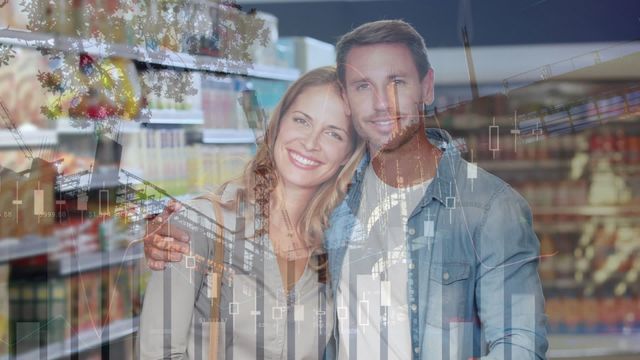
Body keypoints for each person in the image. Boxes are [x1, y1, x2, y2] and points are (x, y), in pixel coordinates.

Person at [145, 20, 548, 359]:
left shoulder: (491, 207)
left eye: (396, 82)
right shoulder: (338, 206)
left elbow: (519, 342)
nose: (380, 104)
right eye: (362, 87)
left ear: (427, 87)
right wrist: (162, 234)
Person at [138, 67, 365, 359]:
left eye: (333, 134)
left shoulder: (337, 248)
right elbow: (159, 353)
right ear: (278, 124)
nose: (311, 143)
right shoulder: (199, 225)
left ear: (348, 153)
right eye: (301, 121)